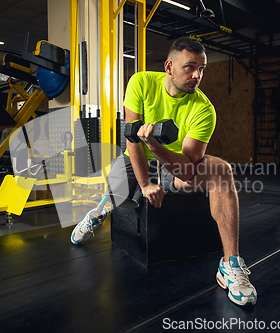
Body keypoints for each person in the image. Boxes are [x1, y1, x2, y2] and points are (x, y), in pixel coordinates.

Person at [70, 36, 257, 307]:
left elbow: (187, 168)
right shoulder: (141, 82)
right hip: (135, 156)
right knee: (118, 186)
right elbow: (132, 138)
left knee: (221, 171)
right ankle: (99, 210)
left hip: (173, 163)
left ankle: (230, 265)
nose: (197, 75)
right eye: (190, 67)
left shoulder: (204, 110)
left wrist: (155, 145)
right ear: (169, 67)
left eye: (202, 68)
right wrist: (145, 184)